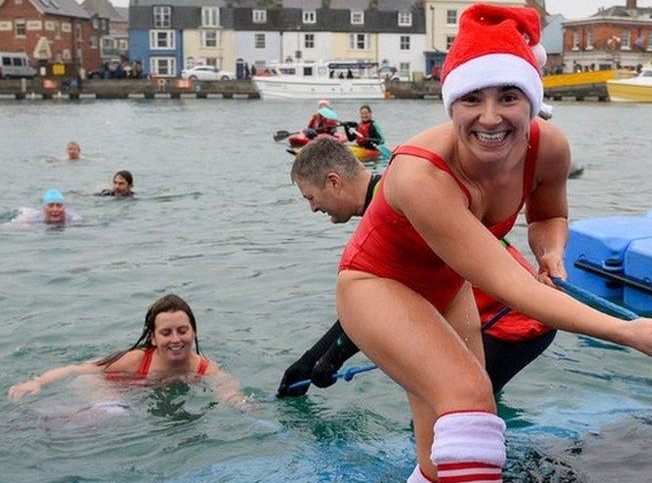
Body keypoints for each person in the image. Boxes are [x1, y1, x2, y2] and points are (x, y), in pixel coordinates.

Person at [332, 5, 652, 483]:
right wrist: (628, 332)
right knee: (470, 399)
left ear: (532, 100)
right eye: (472, 99)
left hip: (447, 286)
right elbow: (509, 285)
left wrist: (550, 250)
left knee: (442, 455)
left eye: (508, 97)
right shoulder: (420, 174)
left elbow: (550, 214)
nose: (490, 117)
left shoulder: (547, 147)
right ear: (451, 104)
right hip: (377, 285)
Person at [278, 138, 556, 398]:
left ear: (334, 182)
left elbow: (377, 308)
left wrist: (330, 358)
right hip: (516, 313)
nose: (313, 209)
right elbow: (369, 304)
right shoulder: (396, 188)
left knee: (448, 416)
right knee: (459, 413)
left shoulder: (399, 210)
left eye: (310, 198)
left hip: (513, 321)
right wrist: (310, 361)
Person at [7, 294, 244, 405]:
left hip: (135, 394)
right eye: (166, 333)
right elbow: (79, 370)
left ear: (194, 332)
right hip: (100, 386)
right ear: (152, 337)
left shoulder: (204, 367)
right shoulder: (135, 360)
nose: (176, 339)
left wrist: (245, 407)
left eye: (182, 330)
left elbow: (229, 392)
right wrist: (38, 382)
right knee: (114, 417)